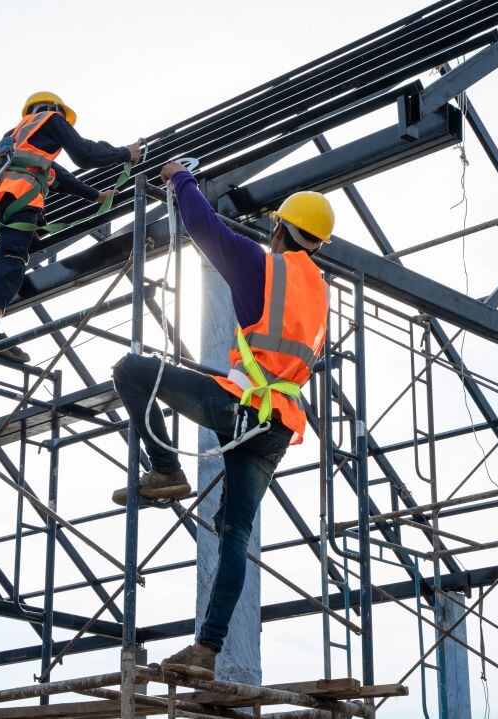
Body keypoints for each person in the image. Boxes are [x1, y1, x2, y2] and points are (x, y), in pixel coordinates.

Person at [109, 161, 334, 679]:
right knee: (234, 533)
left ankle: (166, 468)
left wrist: (179, 178)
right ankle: (206, 650)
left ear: (279, 229)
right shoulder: (317, 290)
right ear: (317, 244)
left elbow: (204, 227)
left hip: (240, 408)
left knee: (131, 372)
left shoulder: (263, 266)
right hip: (276, 425)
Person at [0, 91, 141, 362]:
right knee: (13, 257)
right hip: (21, 196)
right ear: (55, 109)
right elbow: (85, 153)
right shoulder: (52, 119)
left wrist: (95, 196)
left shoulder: (15, 135)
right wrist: (125, 153)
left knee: (8, 256)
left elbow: (56, 174)